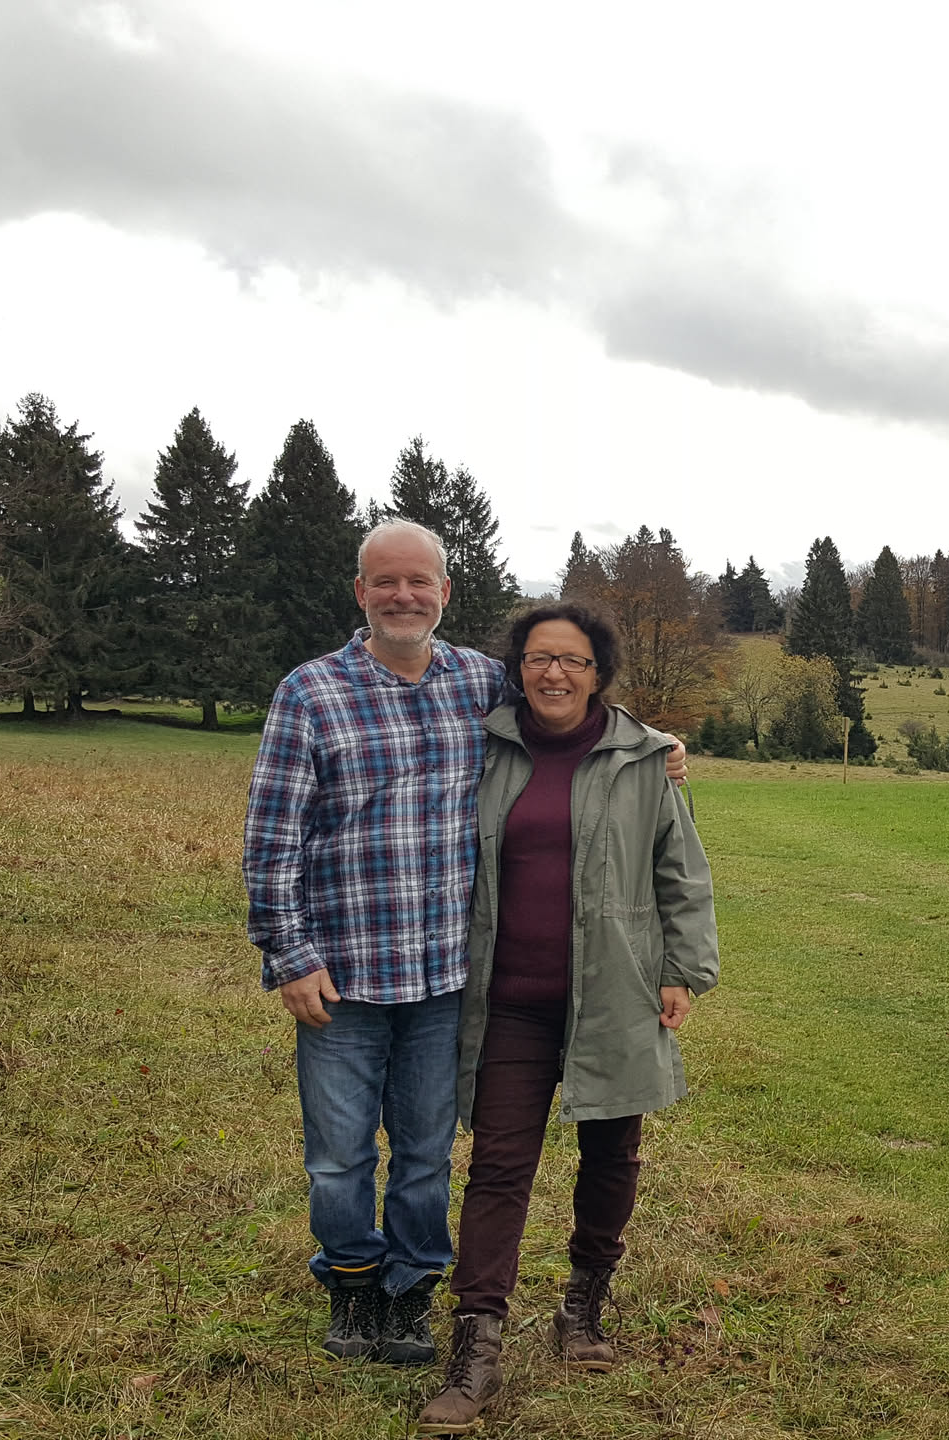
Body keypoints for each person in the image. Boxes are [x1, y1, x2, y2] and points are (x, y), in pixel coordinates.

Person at [243, 524, 683, 1367]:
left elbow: (576, 707)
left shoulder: (480, 683)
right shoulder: (310, 693)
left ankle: (411, 1289)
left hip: (450, 977)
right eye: (385, 582)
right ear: (361, 592)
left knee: (424, 1155)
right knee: (337, 1158)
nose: (403, 596)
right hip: (342, 976)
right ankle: (353, 1282)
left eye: (420, 581)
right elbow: (271, 840)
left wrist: (659, 747)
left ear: (445, 592)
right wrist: (290, 955)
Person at [417, 602, 718, 1432]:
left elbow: (682, 873)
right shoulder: (484, 748)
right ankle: (476, 1348)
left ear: (598, 673)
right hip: (509, 1001)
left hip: (617, 993)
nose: (554, 673)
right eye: (539, 658)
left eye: (573, 660)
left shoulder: (645, 758)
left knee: (611, 1157)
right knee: (498, 1169)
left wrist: (685, 972)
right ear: (518, 670)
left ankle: (583, 1308)